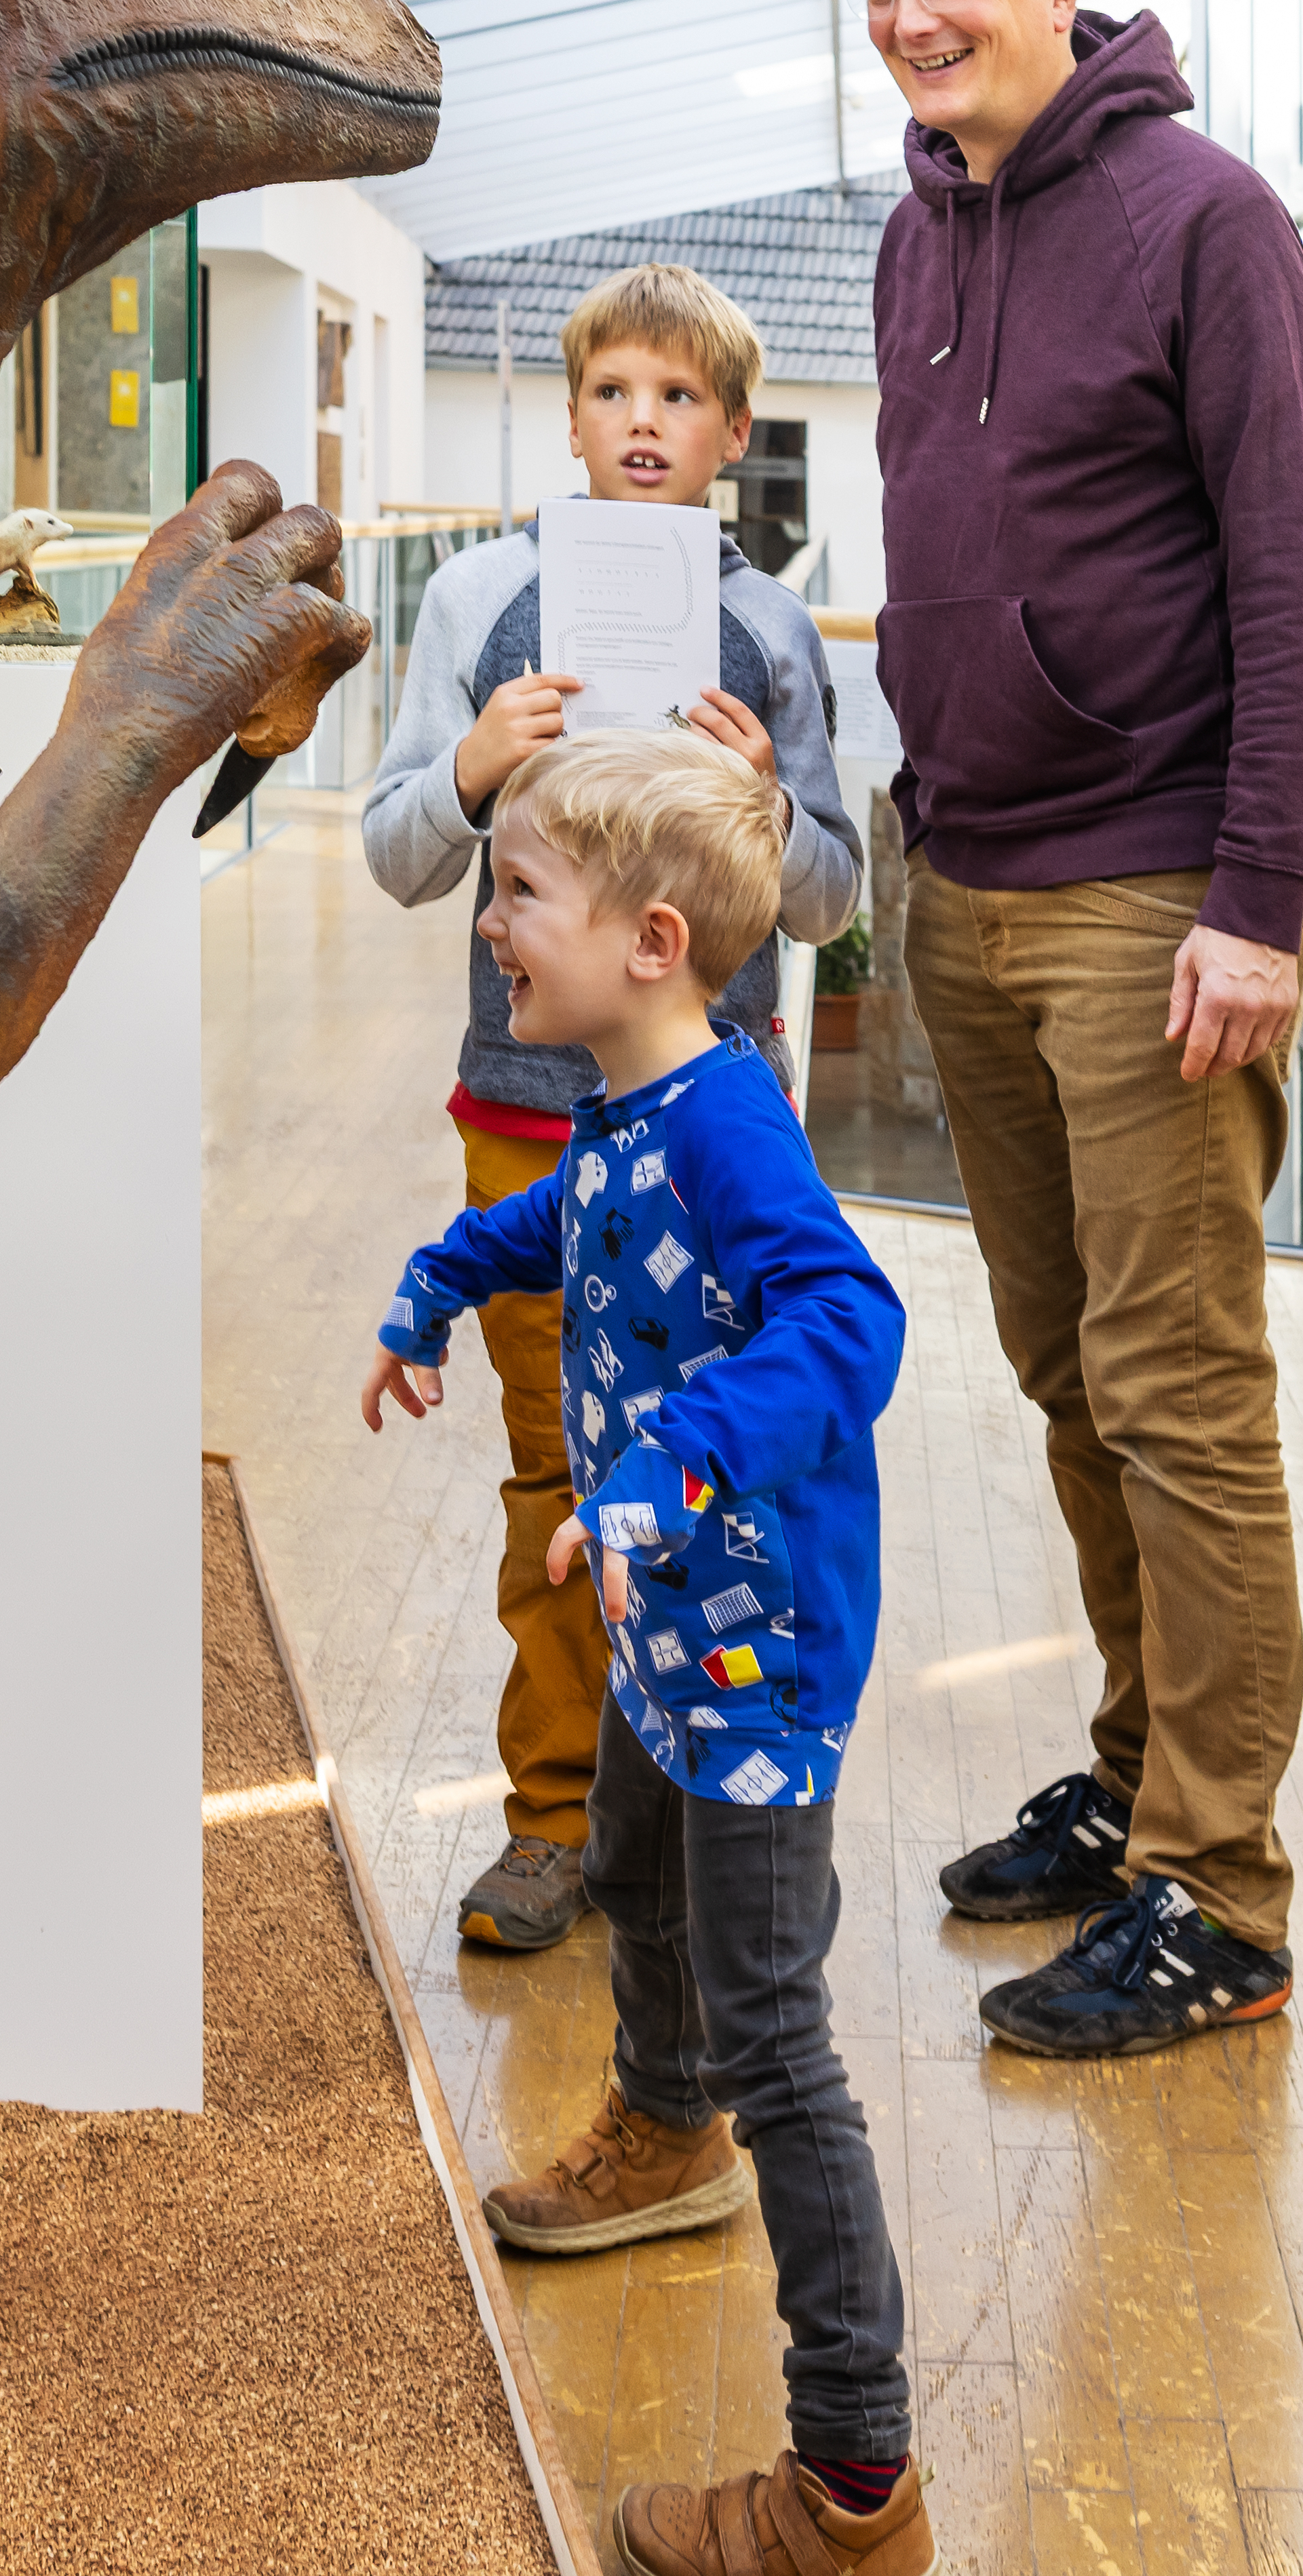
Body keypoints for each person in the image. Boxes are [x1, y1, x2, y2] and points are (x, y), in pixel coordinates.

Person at [856, 0, 1303, 2061]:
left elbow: (1288, 576)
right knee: (1069, 1376)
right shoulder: (907, 238)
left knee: (1182, 1392)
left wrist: (1259, 896)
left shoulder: (1203, 218)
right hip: (967, 877)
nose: (907, 16)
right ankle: (1146, 1765)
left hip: (1152, 889)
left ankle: (1218, 1887)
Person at [366, 732, 925, 2575]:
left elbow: (852, 1315)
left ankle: (854, 2489)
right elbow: (582, 1228)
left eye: (520, 892)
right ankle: (667, 2135)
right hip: (655, 1624)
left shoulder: (731, 1125)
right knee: (621, 1867)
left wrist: (672, 1468)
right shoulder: (635, 1106)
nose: (492, 922)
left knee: (783, 2033)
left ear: (654, 939)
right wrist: (449, 1277)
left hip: (752, 1649)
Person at [359, 263, 861, 1955]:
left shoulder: (776, 628)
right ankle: (553, 1812)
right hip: (524, 1108)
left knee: (716, 1461)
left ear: (732, 430)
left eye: (678, 397)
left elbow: (826, 901)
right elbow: (395, 850)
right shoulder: (475, 598)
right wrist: (475, 768)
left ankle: (724, 1802)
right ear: (569, 415)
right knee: (547, 1465)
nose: (642, 422)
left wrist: (769, 804)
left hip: (719, 1118)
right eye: (611, 392)